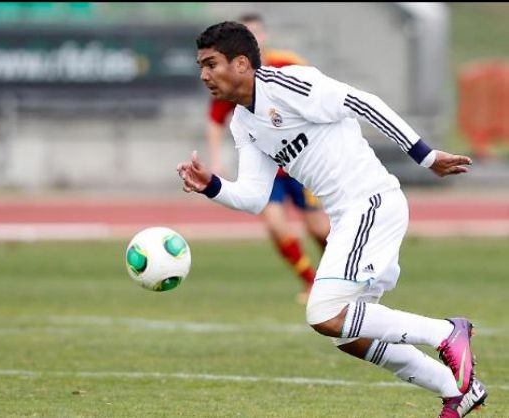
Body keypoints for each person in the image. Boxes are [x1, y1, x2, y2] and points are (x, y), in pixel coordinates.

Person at [177, 21, 487, 417]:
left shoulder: (288, 85)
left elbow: (364, 102)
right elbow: (255, 198)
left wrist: (425, 155)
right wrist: (212, 185)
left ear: (241, 63)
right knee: (348, 335)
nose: (204, 75)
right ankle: (458, 391)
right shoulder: (243, 122)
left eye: (210, 64)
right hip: (349, 218)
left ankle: (446, 332)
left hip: (371, 204)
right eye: (201, 66)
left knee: (323, 313)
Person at [205, 14, 329, 304]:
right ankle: (311, 283)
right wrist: (215, 160)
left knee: (319, 228)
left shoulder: (288, 64)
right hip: (265, 170)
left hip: (300, 163)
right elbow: (215, 120)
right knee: (275, 225)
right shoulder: (229, 76)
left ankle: (342, 276)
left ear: (264, 37)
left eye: (257, 33)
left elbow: (318, 96)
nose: (254, 39)